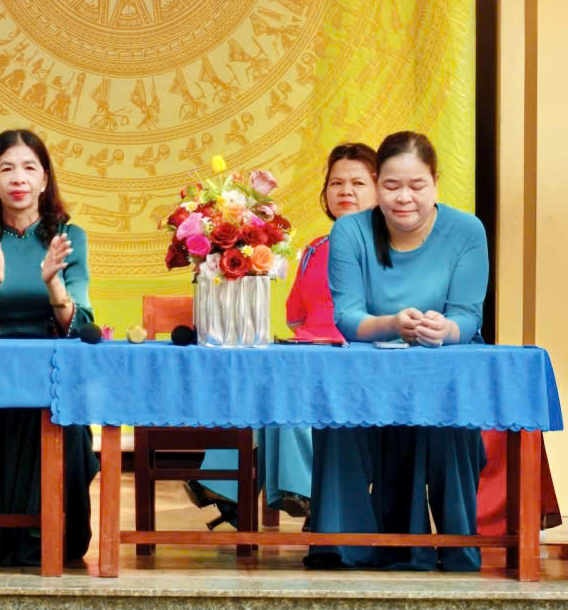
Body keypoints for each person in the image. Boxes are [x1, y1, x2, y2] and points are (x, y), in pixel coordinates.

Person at [307, 131, 489, 571]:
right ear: (377, 185)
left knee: (448, 419)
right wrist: (393, 324)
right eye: (391, 186)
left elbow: (468, 316)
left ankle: (456, 546)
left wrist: (445, 329)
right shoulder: (350, 230)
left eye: (416, 186)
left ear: (436, 183)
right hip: (369, 367)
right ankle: (343, 545)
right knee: (337, 414)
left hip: (443, 364)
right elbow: (349, 318)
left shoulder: (467, 230)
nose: (403, 198)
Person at [194, 141, 378, 524]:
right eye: (336, 183)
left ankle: (274, 490)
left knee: (287, 387)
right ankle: (266, 489)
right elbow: (296, 317)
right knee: (260, 378)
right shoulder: (315, 248)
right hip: (308, 355)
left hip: (356, 363)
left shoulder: (387, 250)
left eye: (358, 183)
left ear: (380, 190)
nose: (345, 191)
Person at [0, 129, 98, 567]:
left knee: (57, 419)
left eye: (29, 168)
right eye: (7, 168)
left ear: (45, 179)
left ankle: (46, 533)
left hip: (53, 375)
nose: (18, 178)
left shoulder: (68, 236)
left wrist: (54, 283)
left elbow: (80, 323)